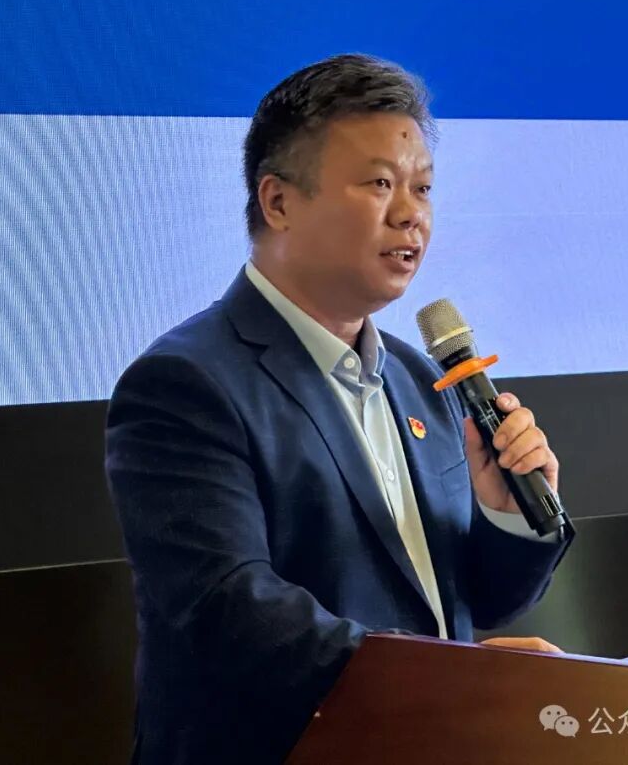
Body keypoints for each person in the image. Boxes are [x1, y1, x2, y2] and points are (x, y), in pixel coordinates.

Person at [105, 54, 573, 765]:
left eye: (422, 187)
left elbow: (472, 602)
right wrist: (452, 680)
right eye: (380, 183)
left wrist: (505, 513)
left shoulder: (420, 378)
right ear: (278, 202)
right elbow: (229, 609)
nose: (411, 213)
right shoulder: (185, 383)